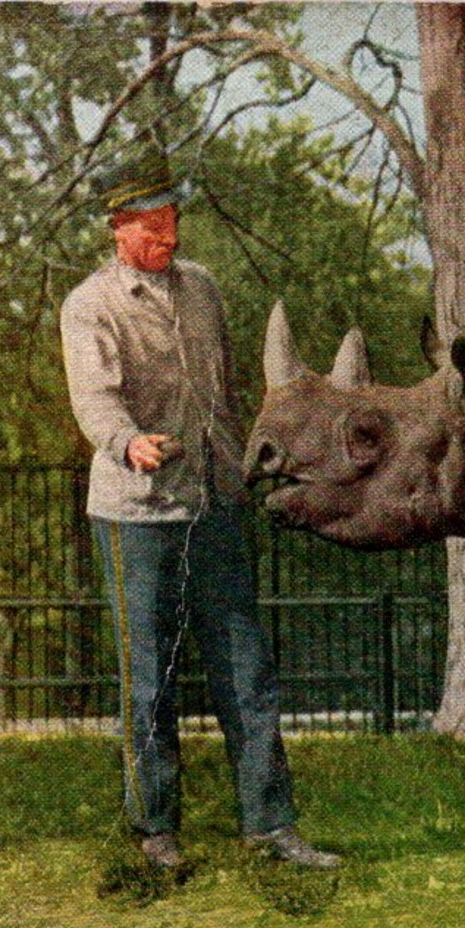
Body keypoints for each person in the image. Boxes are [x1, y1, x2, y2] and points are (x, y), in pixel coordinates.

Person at [60, 149, 339, 871]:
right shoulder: (90, 304)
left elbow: (226, 390)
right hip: (136, 514)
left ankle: (271, 828)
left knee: (246, 668)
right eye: (153, 226)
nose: (170, 237)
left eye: (173, 221)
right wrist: (128, 444)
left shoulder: (204, 289)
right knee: (148, 676)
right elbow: (94, 399)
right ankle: (155, 832)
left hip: (216, 505)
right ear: (119, 229)